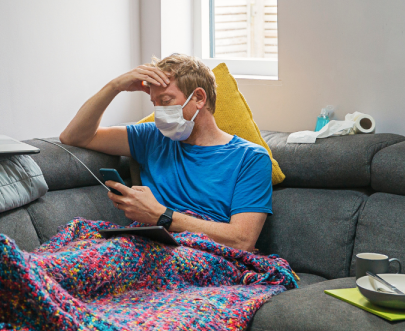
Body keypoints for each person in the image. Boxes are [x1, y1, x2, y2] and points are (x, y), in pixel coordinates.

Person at [59, 54, 272, 251]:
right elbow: (75, 137)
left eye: (166, 101)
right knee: (75, 236)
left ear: (199, 97)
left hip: (203, 254)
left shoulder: (251, 158)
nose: (159, 112)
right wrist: (115, 86)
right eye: (155, 103)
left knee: (95, 261)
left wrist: (160, 215)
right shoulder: (151, 137)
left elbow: (242, 240)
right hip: (146, 245)